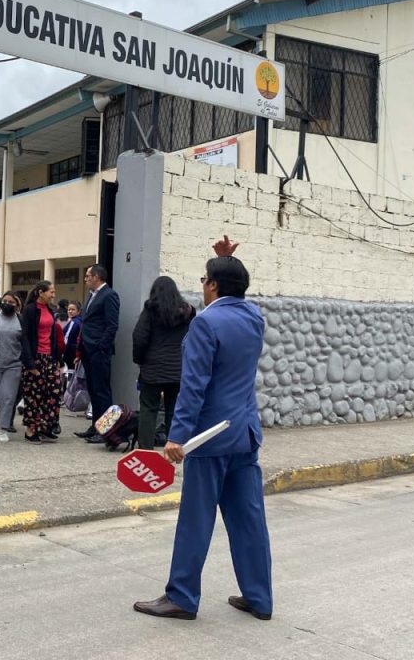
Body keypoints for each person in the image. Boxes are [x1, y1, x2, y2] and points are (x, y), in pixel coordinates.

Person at [134, 235, 273, 622]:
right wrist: (227, 262)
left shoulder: (205, 324)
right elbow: (235, 291)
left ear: (212, 285)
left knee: (196, 520)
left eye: (205, 279)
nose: (201, 285)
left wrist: (177, 437)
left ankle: (181, 596)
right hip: (244, 434)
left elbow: (193, 385)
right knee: (249, 519)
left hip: (208, 439)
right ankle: (259, 598)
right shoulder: (253, 317)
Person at [132, 276, 195, 450]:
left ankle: (146, 449)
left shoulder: (150, 310)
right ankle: (175, 446)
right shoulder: (188, 312)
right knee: (174, 410)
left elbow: (139, 337)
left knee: (148, 408)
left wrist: (139, 359)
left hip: (152, 369)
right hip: (178, 369)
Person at [74, 264, 119, 443]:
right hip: (87, 349)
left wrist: (101, 346)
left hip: (99, 351)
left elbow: (112, 325)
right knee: (93, 390)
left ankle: (107, 431)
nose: (85, 279)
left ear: (97, 277)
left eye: (87, 276)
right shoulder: (91, 296)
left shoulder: (109, 295)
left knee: (102, 391)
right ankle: (96, 426)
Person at [19, 281, 65, 444]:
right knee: (34, 395)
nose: (53, 295)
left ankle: (45, 426)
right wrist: (29, 364)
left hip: (50, 358)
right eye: (50, 292)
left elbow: (53, 336)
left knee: (53, 391)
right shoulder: (30, 310)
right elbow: (24, 336)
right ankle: (31, 430)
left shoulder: (51, 310)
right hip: (35, 357)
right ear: (40, 292)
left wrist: (58, 359)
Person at [0, 291, 23, 441]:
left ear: (17, 304)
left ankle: (3, 429)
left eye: (11, 302)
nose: (8, 304)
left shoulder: (20, 320)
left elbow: (25, 342)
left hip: (14, 365)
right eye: (5, 301)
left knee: (8, 398)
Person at [63, 300, 83, 367]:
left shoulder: (74, 322)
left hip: (70, 352)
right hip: (76, 351)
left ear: (78, 311)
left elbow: (67, 338)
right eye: (69, 309)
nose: (70, 311)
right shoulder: (80, 321)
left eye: (73, 309)